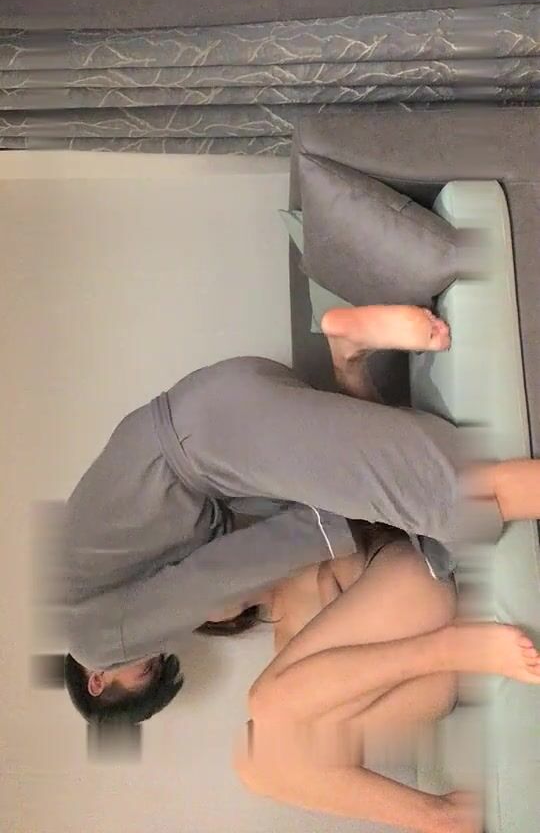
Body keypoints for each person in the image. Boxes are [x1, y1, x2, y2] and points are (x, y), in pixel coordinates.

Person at [61, 304, 540, 724]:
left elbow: (207, 579)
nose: (150, 650)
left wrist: (328, 528)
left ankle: (349, 349)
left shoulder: (95, 642)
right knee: (396, 488)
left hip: (213, 441)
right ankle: (348, 352)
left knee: (457, 498)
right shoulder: (86, 586)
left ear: (97, 680)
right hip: (213, 416)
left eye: (142, 667)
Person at [231, 535, 540, 833]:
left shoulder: (288, 538)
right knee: (253, 760)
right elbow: (338, 748)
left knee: (268, 704)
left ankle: (452, 648)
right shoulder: (281, 647)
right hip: (427, 686)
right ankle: (443, 818)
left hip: (415, 590)